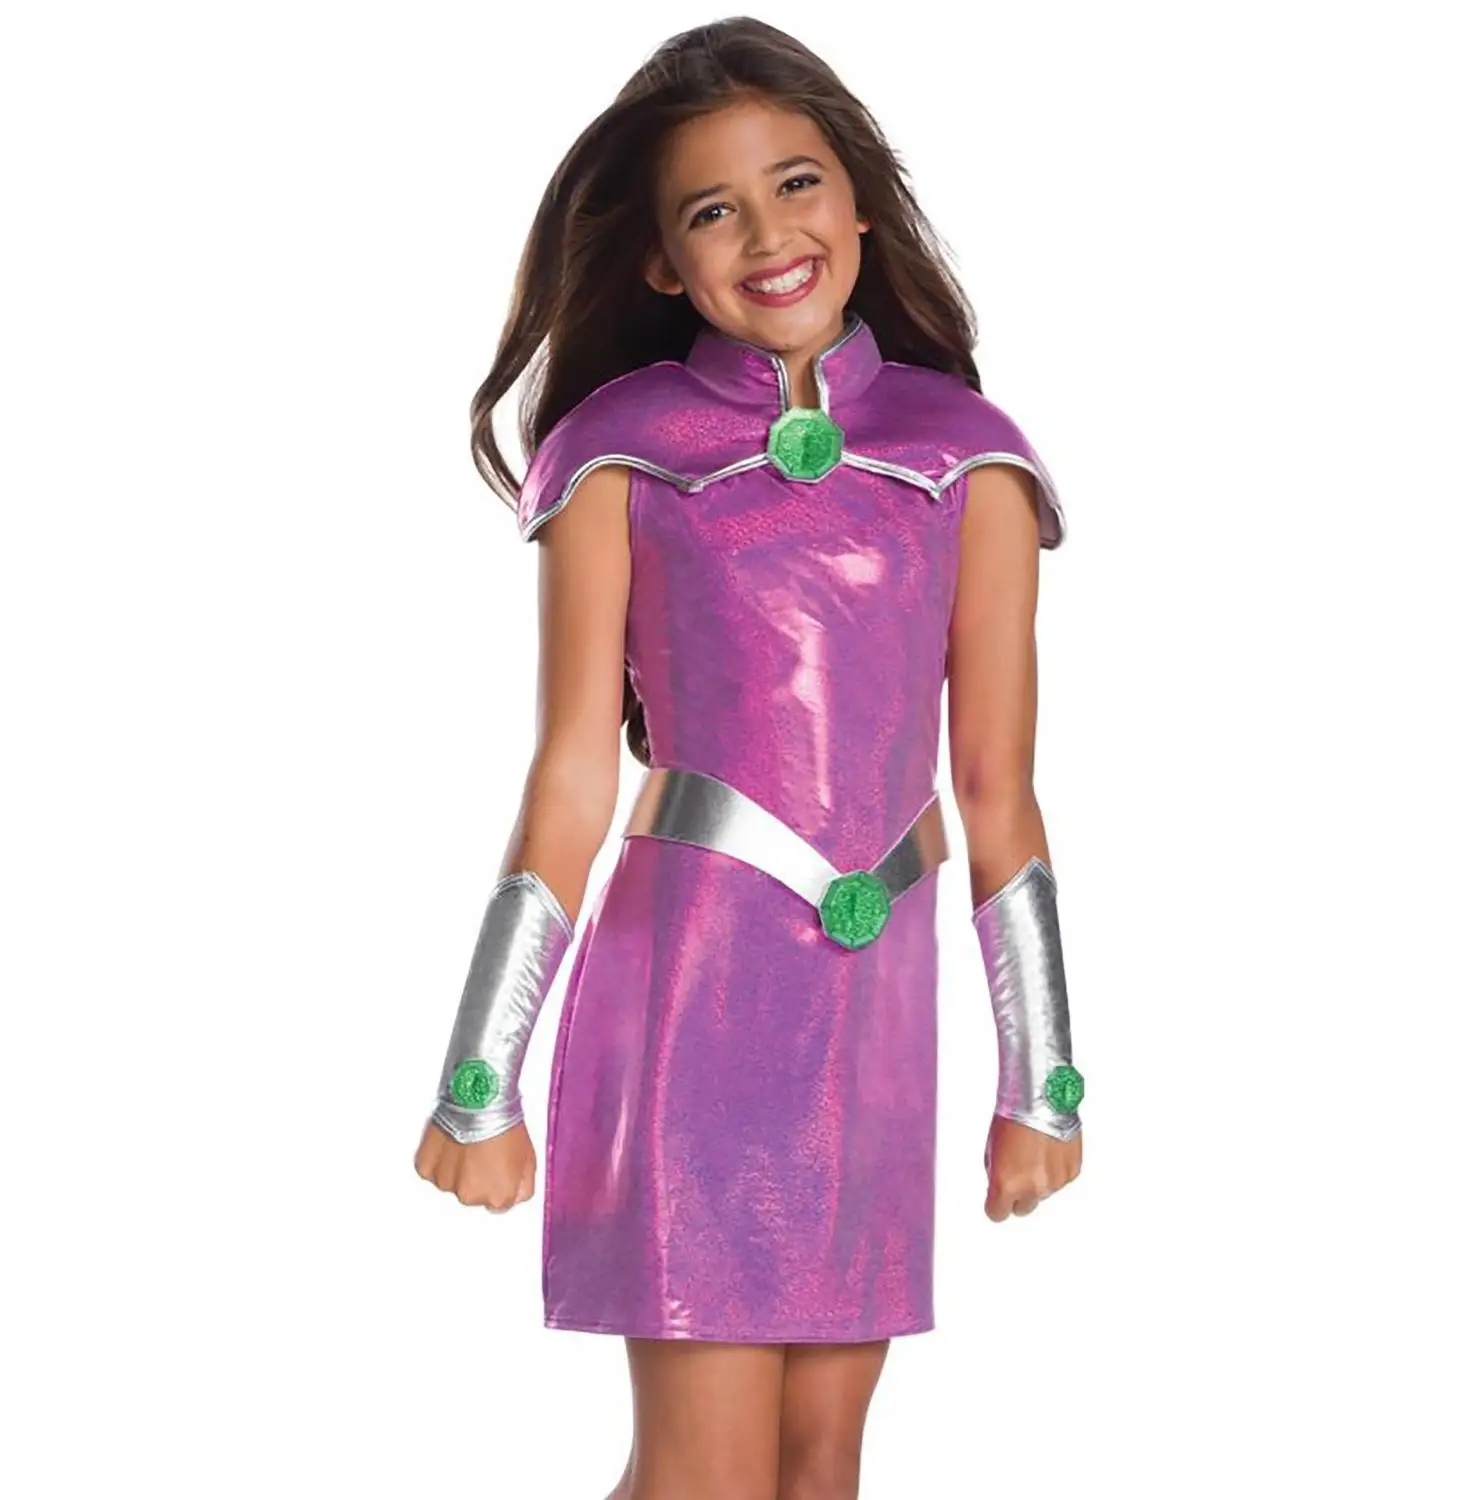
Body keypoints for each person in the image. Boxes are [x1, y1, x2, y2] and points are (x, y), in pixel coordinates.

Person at [413, 16, 1084, 1499]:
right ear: (663, 259)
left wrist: (1041, 1077)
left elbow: (996, 788)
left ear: (861, 201)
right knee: (703, 1476)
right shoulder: (618, 454)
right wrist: (480, 1073)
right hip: (691, 996)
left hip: (874, 1016)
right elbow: (572, 772)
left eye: (797, 184)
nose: (770, 236)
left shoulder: (965, 457)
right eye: (713, 209)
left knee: (816, 1465)